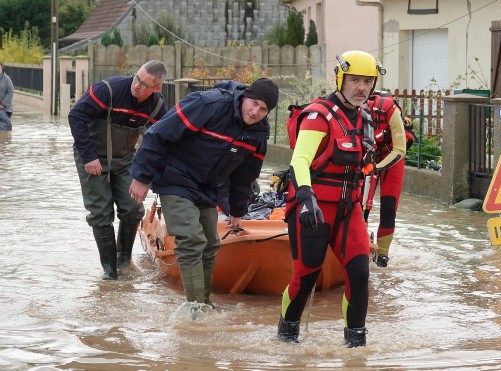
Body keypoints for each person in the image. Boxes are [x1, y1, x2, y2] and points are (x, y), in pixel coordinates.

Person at [128, 78, 279, 307]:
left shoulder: (259, 133)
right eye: (253, 103)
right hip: (174, 178)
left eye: (263, 109)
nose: (255, 111)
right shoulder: (208, 104)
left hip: (208, 186)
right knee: (191, 239)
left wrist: (237, 211)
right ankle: (195, 309)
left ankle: (205, 304)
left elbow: (244, 177)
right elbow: (158, 134)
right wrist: (141, 177)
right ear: (245, 96)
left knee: (210, 244)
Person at [277, 50, 384, 348]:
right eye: (355, 80)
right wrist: (305, 195)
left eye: (367, 81)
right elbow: (300, 161)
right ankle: (286, 339)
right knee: (306, 276)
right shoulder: (318, 115)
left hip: (348, 210)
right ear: (341, 78)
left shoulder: (364, 117)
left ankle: (355, 349)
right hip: (313, 209)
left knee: (360, 275)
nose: (361, 87)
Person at [69, 60, 168, 280]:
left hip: (124, 159)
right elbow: (76, 116)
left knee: (133, 208)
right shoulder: (108, 90)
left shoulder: (157, 106)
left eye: (144, 84)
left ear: (157, 88)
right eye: (137, 78)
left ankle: (124, 263)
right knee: (101, 213)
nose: (137, 85)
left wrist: (150, 173)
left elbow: (160, 139)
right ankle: (110, 272)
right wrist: (89, 157)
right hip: (93, 157)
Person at [364, 92, 411, 267]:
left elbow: (400, 150)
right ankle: (358, 243)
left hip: (392, 156)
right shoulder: (350, 110)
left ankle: (383, 255)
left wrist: (377, 168)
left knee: (389, 208)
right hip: (368, 156)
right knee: (359, 204)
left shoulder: (389, 109)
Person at [0, 63, 14, 131]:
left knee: (6, 126)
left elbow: (10, 92)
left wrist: (3, 104)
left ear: (2, 69)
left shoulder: (7, 79)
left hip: (6, 108)